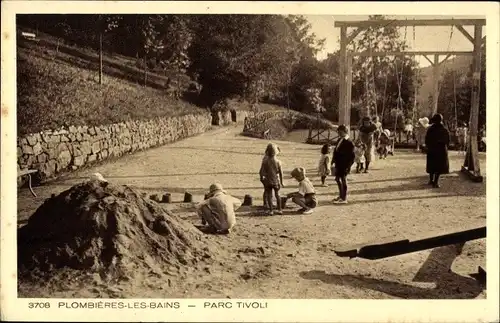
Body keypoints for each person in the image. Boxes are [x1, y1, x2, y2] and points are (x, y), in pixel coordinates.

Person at [331, 124, 355, 204]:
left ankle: (344, 198)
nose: (339, 133)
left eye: (340, 132)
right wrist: (333, 161)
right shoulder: (339, 140)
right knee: (337, 179)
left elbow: (352, 157)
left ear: (345, 132)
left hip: (344, 165)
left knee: (343, 180)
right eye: (338, 132)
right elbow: (336, 151)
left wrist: (348, 166)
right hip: (338, 164)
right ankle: (341, 195)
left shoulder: (349, 142)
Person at [425, 114, 450, 188]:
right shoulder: (444, 129)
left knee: (431, 165)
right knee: (439, 167)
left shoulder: (430, 129)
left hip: (432, 149)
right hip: (441, 150)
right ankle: (435, 182)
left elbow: (427, 139)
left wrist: (428, 146)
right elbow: (447, 140)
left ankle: (431, 180)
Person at [259, 142, 284, 215]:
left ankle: (271, 210)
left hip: (268, 181)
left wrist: (262, 179)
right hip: (276, 181)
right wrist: (282, 182)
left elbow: (261, 172)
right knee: (277, 195)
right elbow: (281, 173)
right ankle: (280, 209)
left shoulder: (265, 161)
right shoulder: (278, 162)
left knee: (269, 196)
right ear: (276, 152)